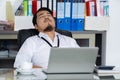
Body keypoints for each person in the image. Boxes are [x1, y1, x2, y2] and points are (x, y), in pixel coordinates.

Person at [14, 7, 80, 69]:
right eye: (41, 16)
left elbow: (83, 62)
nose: (46, 17)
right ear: (36, 26)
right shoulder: (31, 42)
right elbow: (19, 64)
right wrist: (45, 71)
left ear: (54, 21)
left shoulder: (70, 41)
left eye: (49, 15)